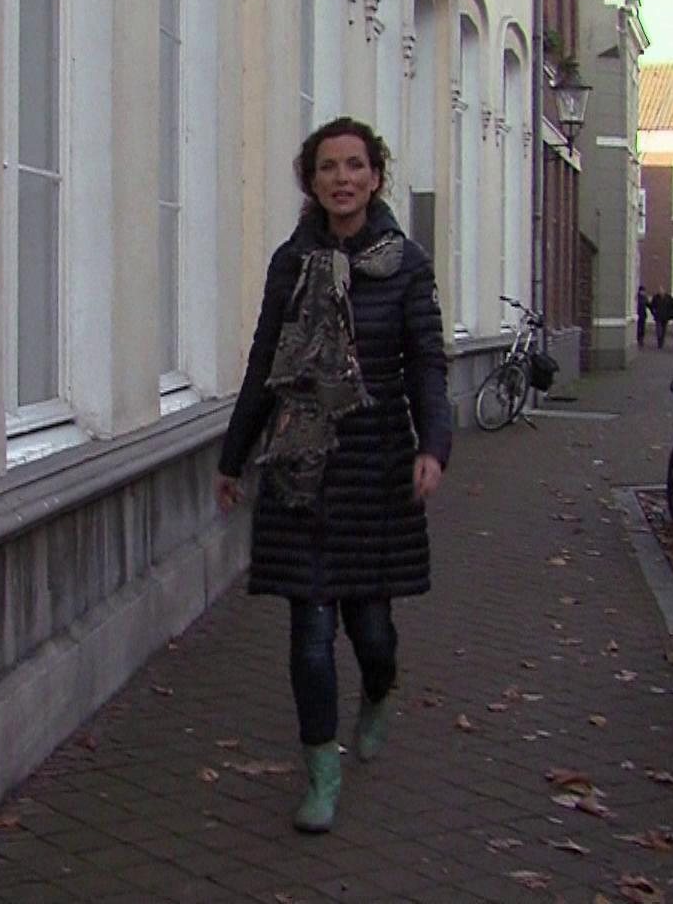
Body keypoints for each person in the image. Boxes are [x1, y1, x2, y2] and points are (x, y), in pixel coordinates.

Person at [214, 116, 451, 835]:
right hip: (300, 469)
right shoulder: (291, 263)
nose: (341, 178)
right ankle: (321, 771)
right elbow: (265, 361)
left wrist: (434, 448)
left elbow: (428, 365)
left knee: (371, 630)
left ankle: (378, 690)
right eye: (327, 167)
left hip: (376, 469)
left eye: (354, 166)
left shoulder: (405, 264)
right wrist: (233, 456)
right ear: (311, 182)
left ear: (375, 177)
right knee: (311, 636)